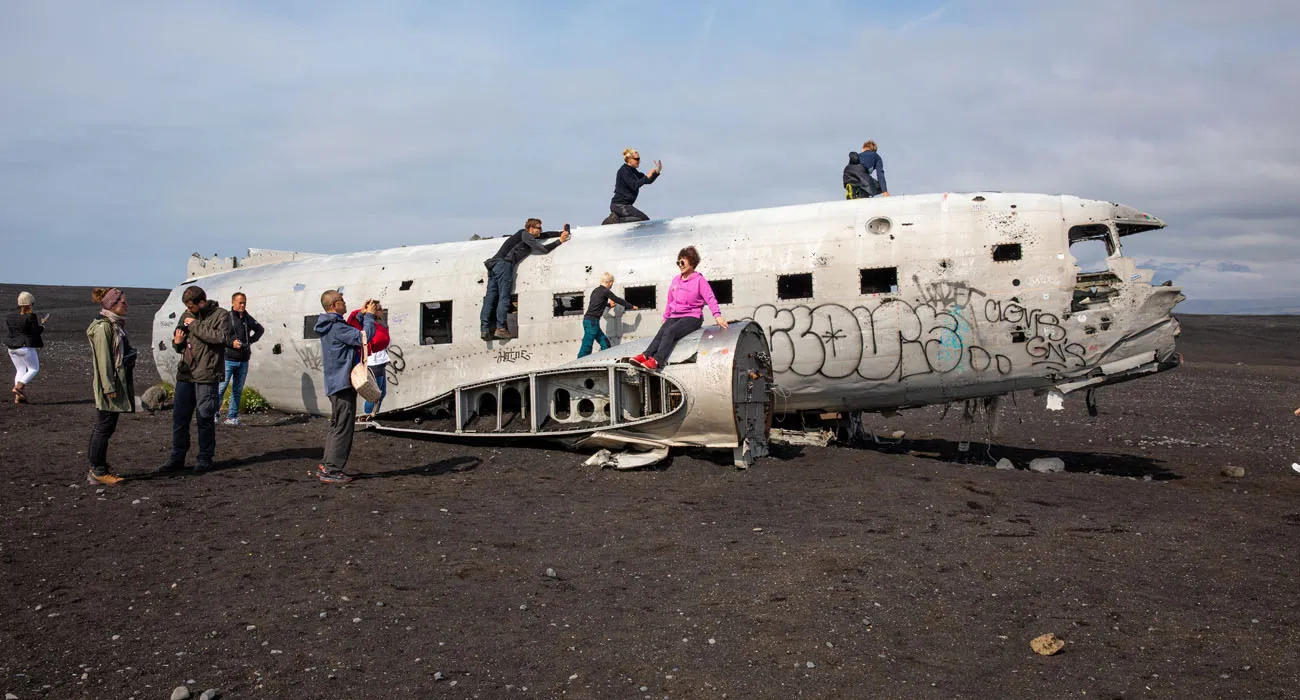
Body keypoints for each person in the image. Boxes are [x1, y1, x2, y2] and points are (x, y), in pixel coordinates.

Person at [160, 286, 231, 474]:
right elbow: (180, 343)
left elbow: (220, 338)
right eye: (186, 307)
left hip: (207, 375)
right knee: (180, 418)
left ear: (202, 302)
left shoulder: (221, 315)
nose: (188, 310)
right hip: (186, 373)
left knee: (204, 418)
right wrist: (177, 342)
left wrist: (194, 325)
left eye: (191, 306)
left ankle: (205, 458)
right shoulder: (186, 315)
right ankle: (177, 457)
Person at [628, 246, 728, 371]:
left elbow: (710, 298)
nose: (680, 265)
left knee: (670, 332)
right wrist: (666, 316)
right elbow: (670, 300)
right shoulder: (676, 280)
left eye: (682, 262)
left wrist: (717, 315)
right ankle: (646, 355)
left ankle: (658, 360)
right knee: (662, 331)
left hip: (692, 316)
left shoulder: (699, 280)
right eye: (678, 262)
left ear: (692, 262)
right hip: (675, 315)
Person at [315, 290, 377, 484]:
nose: (345, 302)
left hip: (335, 382)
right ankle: (332, 470)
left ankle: (327, 464)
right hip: (342, 383)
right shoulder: (336, 327)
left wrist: (361, 314)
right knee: (343, 427)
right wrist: (369, 317)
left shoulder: (330, 325)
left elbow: (349, 331)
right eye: (341, 300)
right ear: (335, 305)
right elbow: (365, 337)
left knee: (336, 425)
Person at [480, 218, 572, 340]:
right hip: (504, 265)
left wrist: (560, 232)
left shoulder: (523, 235)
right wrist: (559, 241)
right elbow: (543, 250)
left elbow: (545, 235)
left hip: (494, 265)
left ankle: (484, 329)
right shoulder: (526, 235)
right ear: (531, 228)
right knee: (503, 297)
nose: (541, 230)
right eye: (538, 228)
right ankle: (500, 328)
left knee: (490, 298)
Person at [86, 288, 136, 485]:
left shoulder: (114, 325)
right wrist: (109, 387)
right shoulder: (104, 327)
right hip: (110, 386)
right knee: (103, 427)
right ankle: (98, 470)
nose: (126, 305)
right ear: (113, 305)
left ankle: (97, 468)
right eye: (123, 302)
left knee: (105, 426)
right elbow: (104, 360)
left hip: (114, 383)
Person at [217, 291, 264, 426]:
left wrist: (249, 341)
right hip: (228, 358)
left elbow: (260, 329)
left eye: (244, 302)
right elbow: (220, 335)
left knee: (237, 390)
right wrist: (232, 343)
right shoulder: (226, 318)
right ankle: (214, 414)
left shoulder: (246, 318)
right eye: (240, 302)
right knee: (221, 387)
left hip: (243, 359)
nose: (243, 305)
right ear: (233, 303)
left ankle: (231, 417)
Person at [578, 273, 637, 358]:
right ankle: (579, 363)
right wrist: (631, 306)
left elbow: (596, 305)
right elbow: (617, 299)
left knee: (605, 344)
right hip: (592, 322)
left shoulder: (595, 290)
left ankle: (602, 360)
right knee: (587, 345)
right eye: (612, 284)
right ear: (610, 283)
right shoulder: (605, 291)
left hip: (591, 321)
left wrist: (608, 305)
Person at [348, 301, 391, 419]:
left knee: (381, 393)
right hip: (374, 363)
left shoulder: (380, 324)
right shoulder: (368, 324)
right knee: (374, 394)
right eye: (379, 309)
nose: (382, 311)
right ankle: (366, 416)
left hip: (380, 362)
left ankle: (373, 415)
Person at [6, 291, 44, 404]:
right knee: (34, 369)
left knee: (20, 369)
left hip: (11, 347)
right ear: (30, 304)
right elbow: (35, 332)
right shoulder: (31, 316)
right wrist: (42, 326)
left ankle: (18, 397)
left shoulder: (10, 316)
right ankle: (19, 387)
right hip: (24, 347)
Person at [606, 148, 662, 223]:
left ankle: (616, 218)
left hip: (625, 205)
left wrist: (656, 172)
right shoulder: (624, 171)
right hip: (619, 205)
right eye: (637, 159)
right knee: (644, 220)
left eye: (639, 159)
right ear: (629, 160)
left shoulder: (632, 170)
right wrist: (646, 177)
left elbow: (647, 181)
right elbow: (635, 185)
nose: (639, 161)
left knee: (644, 220)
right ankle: (615, 220)